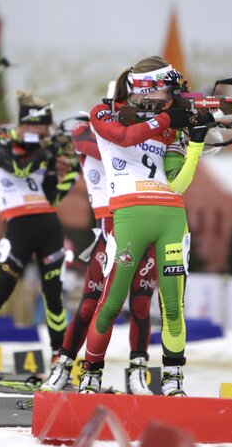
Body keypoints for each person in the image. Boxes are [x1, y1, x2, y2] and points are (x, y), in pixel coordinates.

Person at [79, 56, 210, 396]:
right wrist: (167, 118)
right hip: (128, 216)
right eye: (167, 89)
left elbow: (177, 184)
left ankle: (172, 382)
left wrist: (194, 140)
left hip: (171, 217)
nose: (170, 96)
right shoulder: (103, 112)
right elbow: (122, 137)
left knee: (172, 307)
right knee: (110, 303)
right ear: (149, 88)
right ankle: (90, 375)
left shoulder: (167, 126)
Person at [0, 91, 80, 385]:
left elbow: (52, 196)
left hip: (48, 226)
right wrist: (46, 152)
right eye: (38, 128)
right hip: (18, 228)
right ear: (26, 125)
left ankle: (59, 365)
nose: (42, 133)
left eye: (45, 129)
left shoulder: (44, 149)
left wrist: (71, 169)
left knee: (54, 300)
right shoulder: (1, 144)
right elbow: (19, 169)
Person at [40, 114, 159, 395]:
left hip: (143, 221)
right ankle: (64, 367)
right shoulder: (88, 130)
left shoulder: (139, 132)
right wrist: (136, 134)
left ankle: (137, 374)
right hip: (108, 229)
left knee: (141, 306)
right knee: (89, 306)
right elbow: (89, 144)